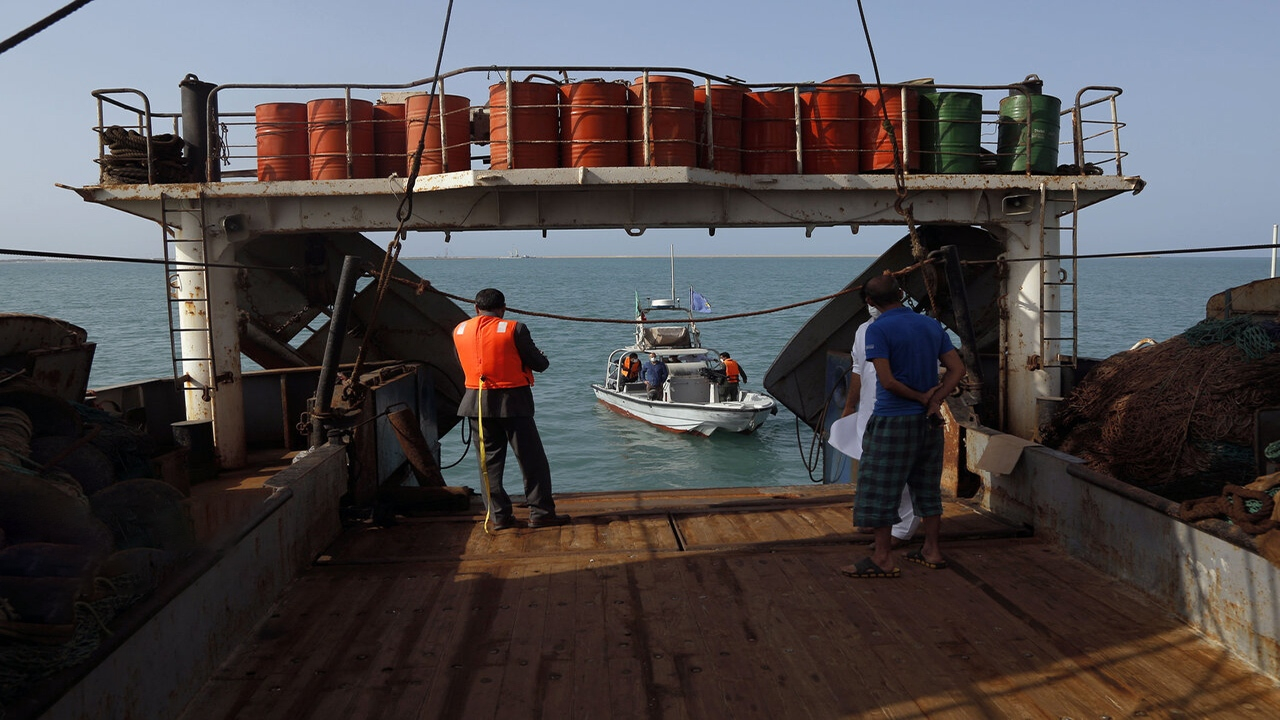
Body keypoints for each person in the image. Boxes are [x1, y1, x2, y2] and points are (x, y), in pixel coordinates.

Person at [842, 274, 965, 579]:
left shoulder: (877, 329)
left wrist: (921, 396)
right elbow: (957, 369)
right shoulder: (930, 325)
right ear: (900, 293)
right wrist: (934, 399)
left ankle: (882, 558)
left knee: (881, 488)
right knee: (926, 487)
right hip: (929, 421)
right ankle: (932, 551)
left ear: (869, 301)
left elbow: (888, 382)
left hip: (892, 420)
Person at [452, 288, 570, 531]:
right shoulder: (514, 328)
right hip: (513, 402)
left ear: (476, 308)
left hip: (476, 404)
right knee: (531, 460)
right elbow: (540, 364)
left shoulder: (459, 330)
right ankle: (541, 513)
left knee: (488, 464)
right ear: (503, 308)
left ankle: (498, 518)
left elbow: (462, 362)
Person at [840, 295, 920, 546]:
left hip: (900, 407)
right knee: (872, 467)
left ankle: (902, 529)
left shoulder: (917, 326)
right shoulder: (863, 330)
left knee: (904, 469)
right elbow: (857, 369)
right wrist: (850, 404)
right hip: (869, 408)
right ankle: (877, 519)